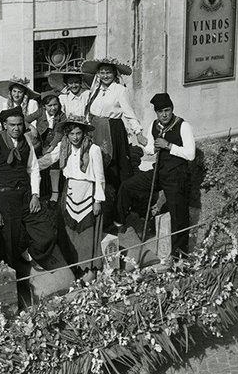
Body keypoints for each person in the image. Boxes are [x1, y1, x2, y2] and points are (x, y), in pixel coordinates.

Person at [117, 93, 195, 258]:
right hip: (159, 172)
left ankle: (179, 258)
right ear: (156, 113)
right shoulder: (154, 125)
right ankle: (122, 224)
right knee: (127, 186)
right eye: (160, 111)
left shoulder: (183, 125)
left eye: (167, 110)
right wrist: (146, 144)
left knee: (178, 218)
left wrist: (169, 146)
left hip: (176, 176)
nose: (164, 114)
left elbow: (191, 154)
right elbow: (151, 149)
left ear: (172, 109)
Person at [0, 106, 56, 270]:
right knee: (9, 242)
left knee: (47, 233)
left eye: (19, 124)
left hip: (26, 195)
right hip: (6, 199)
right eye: (12, 125)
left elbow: (33, 168)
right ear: (4, 125)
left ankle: (33, 255)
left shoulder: (27, 141)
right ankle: (15, 281)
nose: (16, 128)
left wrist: (36, 195)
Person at [39, 116, 105, 282]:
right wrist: (29, 167)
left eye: (78, 133)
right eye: (72, 134)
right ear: (66, 135)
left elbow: (100, 177)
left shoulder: (93, 149)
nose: (75, 137)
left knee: (86, 233)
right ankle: (73, 267)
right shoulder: (63, 147)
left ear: (83, 134)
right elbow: (48, 160)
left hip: (88, 191)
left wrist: (98, 200)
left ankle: (89, 269)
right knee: (69, 231)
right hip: (69, 191)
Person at [81, 57, 147, 205]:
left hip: (112, 130)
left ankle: (117, 201)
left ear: (114, 74)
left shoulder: (120, 90)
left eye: (108, 72)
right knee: (95, 163)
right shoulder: (95, 89)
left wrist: (138, 133)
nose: (105, 76)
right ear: (98, 74)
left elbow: (129, 113)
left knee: (113, 167)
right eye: (102, 72)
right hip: (95, 129)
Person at [36, 90, 66, 205]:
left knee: (54, 163)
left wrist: (52, 146)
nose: (53, 108)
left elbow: (59, 133)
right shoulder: (40, 113)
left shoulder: (61, 116)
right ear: (44, 107)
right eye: (50, 106)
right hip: (42, 140)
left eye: (55, 105)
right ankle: (37, 193)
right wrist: (33, 130)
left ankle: (55, 193)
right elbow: (26, 119)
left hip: (55, 141)